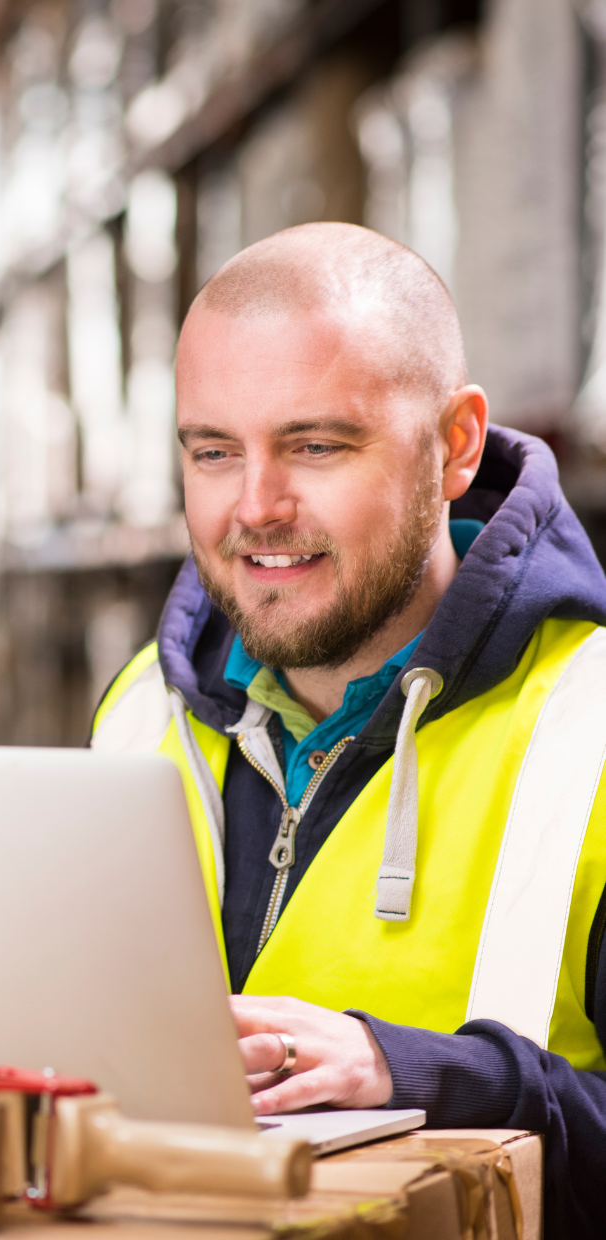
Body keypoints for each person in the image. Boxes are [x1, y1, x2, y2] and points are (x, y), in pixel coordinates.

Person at [91, 222, 606, 1237]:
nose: (255, 507)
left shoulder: (588, 728)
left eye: (315, 446)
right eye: (213, 452)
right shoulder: (140, 712)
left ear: (455, 445)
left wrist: (416, 1074)